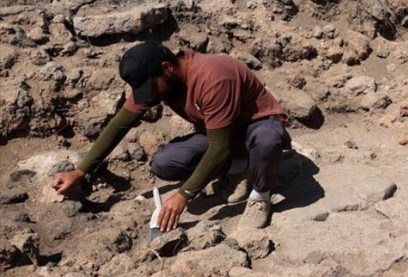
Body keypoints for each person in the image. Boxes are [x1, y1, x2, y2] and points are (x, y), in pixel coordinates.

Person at [51, 42, 290, 231]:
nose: (149, 96)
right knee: (165, 163)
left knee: (266, 140)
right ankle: (241, 168)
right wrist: (81, 170)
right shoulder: (158, 81)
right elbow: (120, 125)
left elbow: (219, 148)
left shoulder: (213, 76)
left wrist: (183, 194)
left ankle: (261, 195)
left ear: (167, 68)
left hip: (256, 127)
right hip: (221, 134)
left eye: (151, 88)